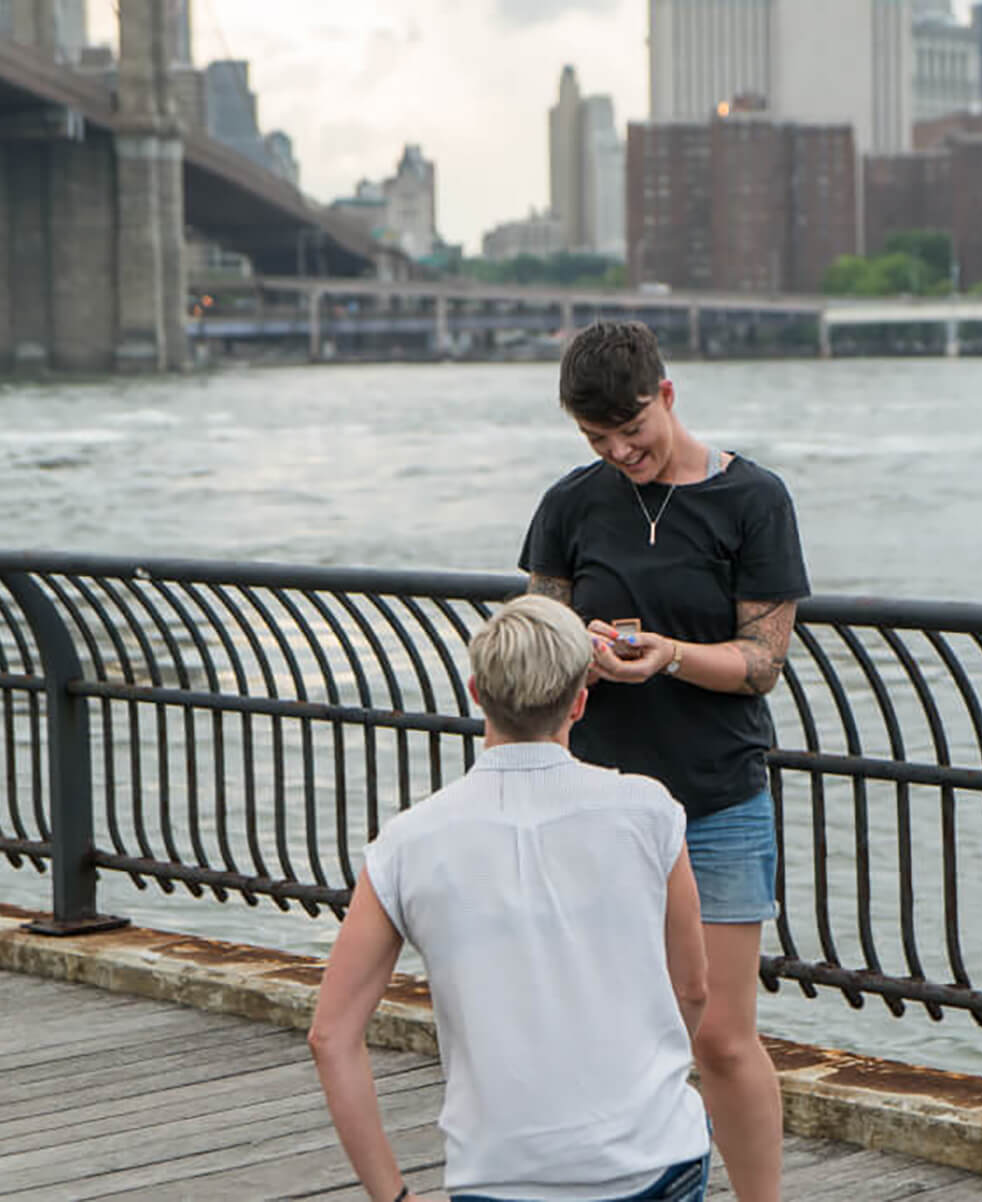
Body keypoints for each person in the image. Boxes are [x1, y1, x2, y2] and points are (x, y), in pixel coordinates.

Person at [519, 321, 810, 1202]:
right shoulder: (570, 505)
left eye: (631, 432)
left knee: (720, 1035)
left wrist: (672, 653)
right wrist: (587, 652)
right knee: (609, 1026)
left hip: (716, 802)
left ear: (667, 395)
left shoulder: (753, 500)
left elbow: (762, 663)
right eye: (596, 440)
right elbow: (542, 640)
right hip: (596, 803)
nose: (620, 453)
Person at [309, 593, 712, 1202]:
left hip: (503, 1173)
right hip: (655, 1156)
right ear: (580, 700)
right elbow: (693, 988)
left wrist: (391, 1197)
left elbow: (332, 1037)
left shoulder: (407, 843)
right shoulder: (650, 810)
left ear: (476, 692)